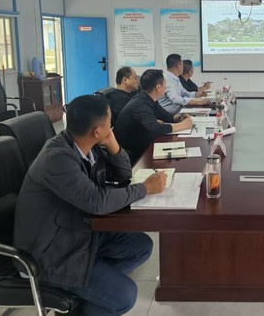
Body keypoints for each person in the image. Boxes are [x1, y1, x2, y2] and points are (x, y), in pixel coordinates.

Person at [14, 94, 167, 316]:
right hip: (52, 253)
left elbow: (124, 176)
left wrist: (112, 144)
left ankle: (81, 295)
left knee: (140, 246)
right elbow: (97, 202)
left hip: (78, 231)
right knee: (124, 296)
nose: (112, 123)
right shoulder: (57, 158)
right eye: (109, 120)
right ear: (96, 131)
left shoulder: (85, 144)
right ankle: (80, 292)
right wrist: (145, 188)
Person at [115, 69, 193, 164]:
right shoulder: (140, 105)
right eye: (165, 84)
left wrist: (177, 118)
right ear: (158, 87)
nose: (166, 87)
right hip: (134, 154)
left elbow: (164, 115)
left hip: (144, 142)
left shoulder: (148, 99)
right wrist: (183, 125)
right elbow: (156, 128)